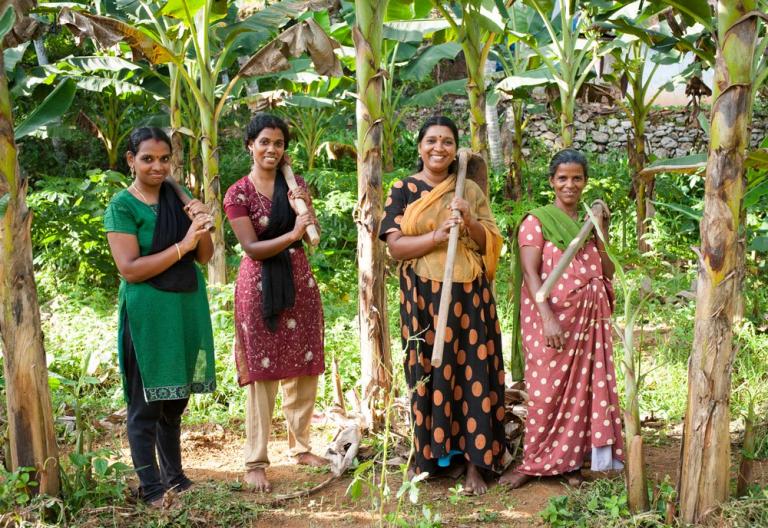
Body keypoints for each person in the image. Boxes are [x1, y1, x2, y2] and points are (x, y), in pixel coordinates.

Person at [380, 116, 507, 495]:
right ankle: (431, 459)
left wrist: (468, 221)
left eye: (448, 142)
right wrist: (437, 236)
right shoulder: (403, 189)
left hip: (469, 296)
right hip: (422, 297)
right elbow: (395, 245)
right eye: (432, 141)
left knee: (474, 374)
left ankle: (475, 465)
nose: (439, 148)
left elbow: (492, 242)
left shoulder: (467, 188)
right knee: (427, 373)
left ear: (456, 150)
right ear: (420, 147)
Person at [104, 127, 216, 506]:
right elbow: (130, 269)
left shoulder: (177, 198)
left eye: (164, 159)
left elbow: (205, 256)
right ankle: (151, 488)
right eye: (147, 158)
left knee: (175, 399)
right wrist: (182, 244)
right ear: (131, 160)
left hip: (185, 306)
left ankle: (176, 477)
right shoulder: (122, 206)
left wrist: (199, 221)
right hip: (149, 312)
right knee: (146, 402)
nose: (157, 166)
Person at [501, 149, 624, 489]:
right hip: (551, 318)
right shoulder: (537, 221)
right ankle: (535, 462)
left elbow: (608, 269)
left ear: (585, 182)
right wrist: (548, 318)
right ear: (552, 182)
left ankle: (570, 463)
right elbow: (530, 273)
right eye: (563, 178)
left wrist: (601, 231)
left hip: (589, 319)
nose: (570, 185)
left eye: (577, 178)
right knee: (545, 391)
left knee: (583, 390)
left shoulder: (590, 220)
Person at [223, 113, 326, 493]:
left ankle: (300, 447)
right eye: (264, 141)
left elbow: (310, 234)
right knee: (261, 373)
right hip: (259, 284)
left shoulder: (293, 183)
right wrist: (295, 232)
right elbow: (250, 247)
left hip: (298, 278)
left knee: (303, 365)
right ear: (250, 145)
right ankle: (255, 460)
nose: (272, 148)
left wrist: (304, 210)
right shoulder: (237, 194)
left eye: (279, 143)